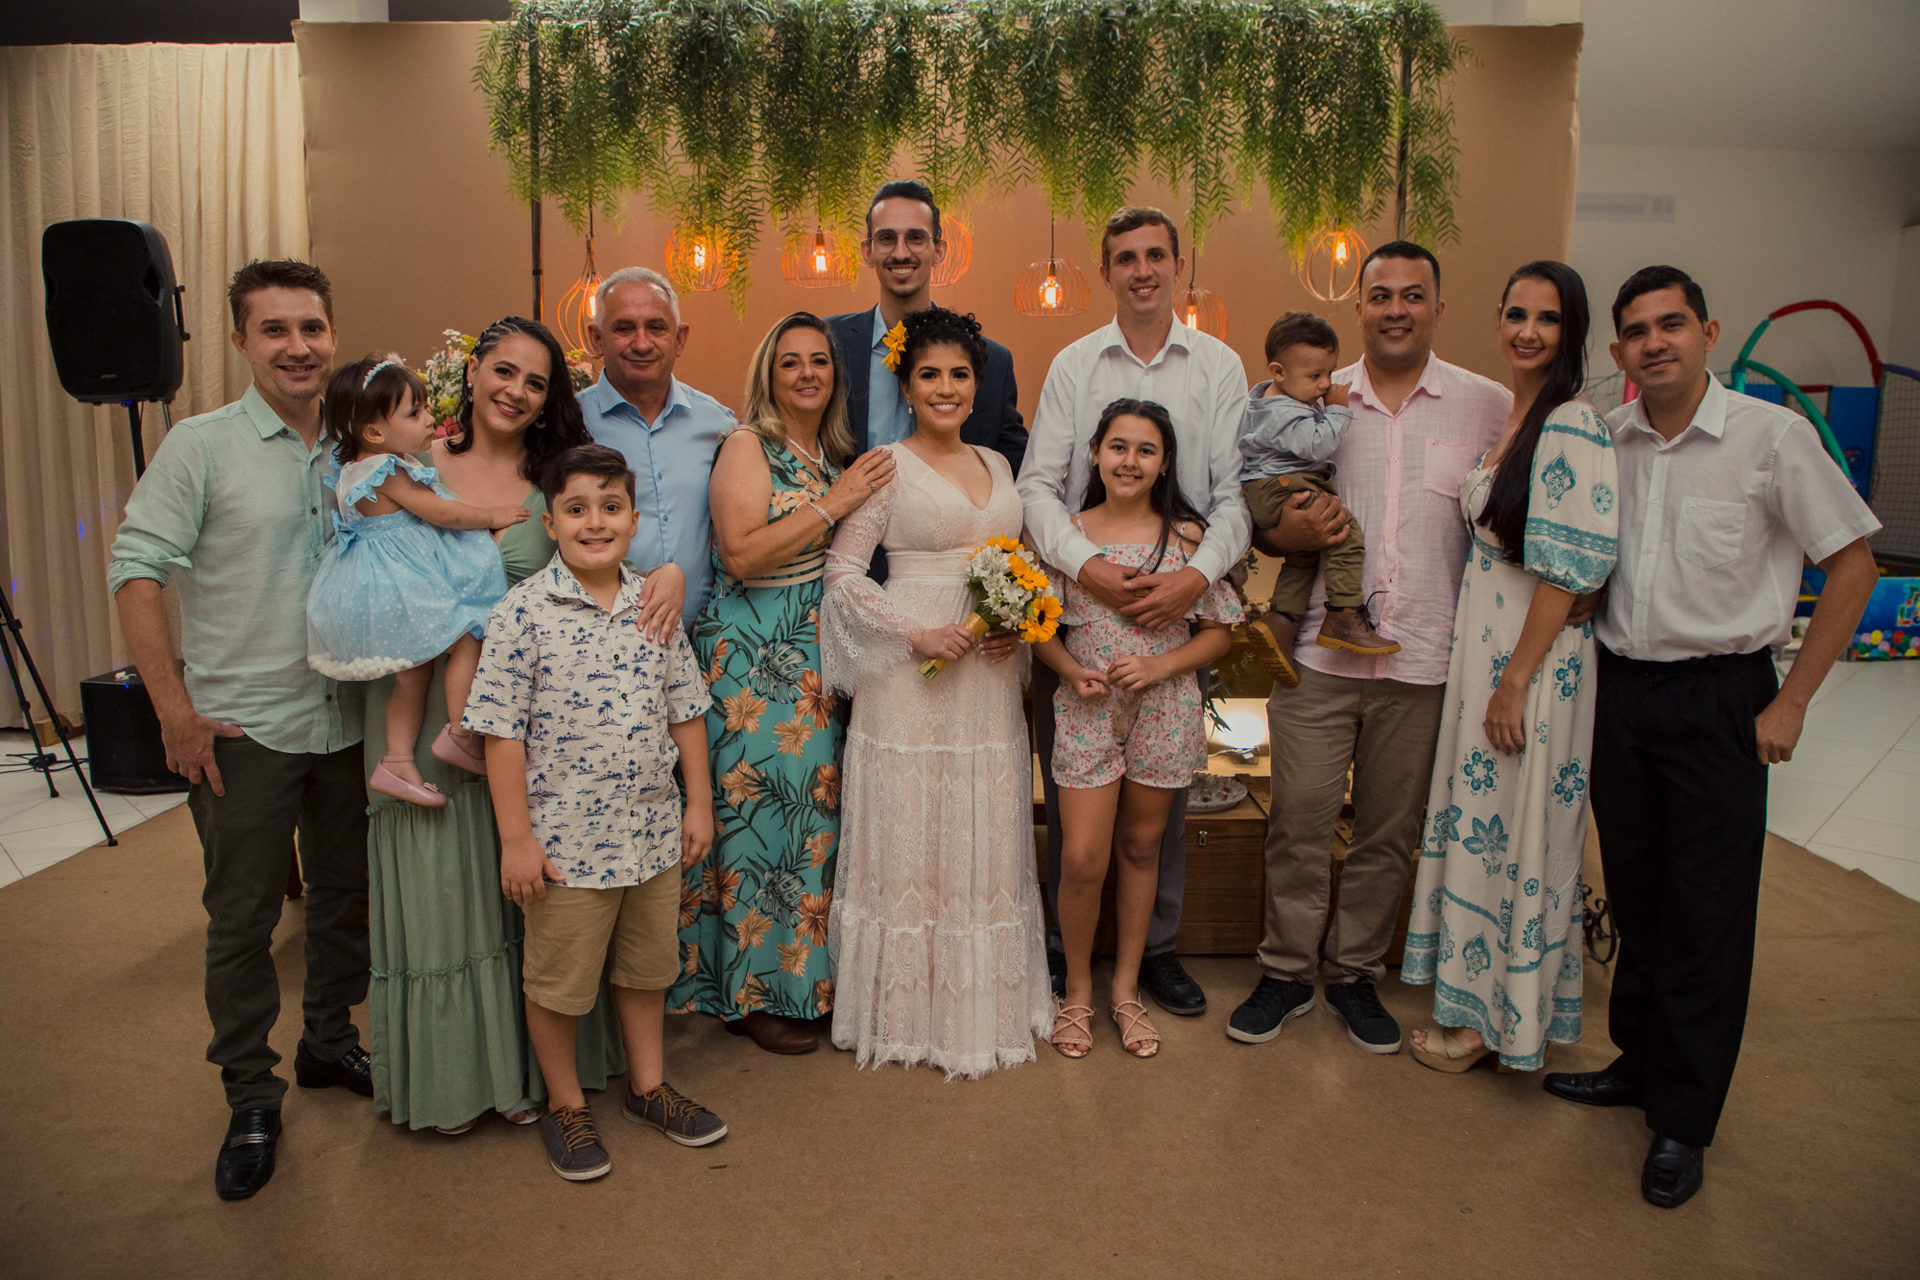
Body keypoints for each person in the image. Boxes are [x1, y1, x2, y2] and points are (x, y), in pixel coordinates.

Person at [1544, 266, 1879, 1209]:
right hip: (1624, 693)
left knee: (1708, 913)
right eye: (1638, 331)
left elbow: (1853, 566)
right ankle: (1639, 1065)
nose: (1655, 343)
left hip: (1722, 698)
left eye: (1673, 325)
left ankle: (1684, 1120)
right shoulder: (1608, 440)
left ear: (1709, 333)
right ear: (1619, 351)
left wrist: (1793, 702)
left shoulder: (1773, 440)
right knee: (1640, 896)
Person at [108, 259, 371, 1201]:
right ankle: (251, 1095)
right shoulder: (200, 447)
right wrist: (172, 711)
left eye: (311, 327)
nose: (298, 347)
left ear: (332, 333)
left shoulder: (360, 443)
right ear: (240, 341)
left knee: (346, 899)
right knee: (243, 919)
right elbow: (137, 573)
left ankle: (330, 1041)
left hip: (348, 720)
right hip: (242, 729)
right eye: (275, 330)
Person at [1228, 241, 1512, 1053]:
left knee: (1389, 831)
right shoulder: (1318, 396)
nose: (1395, 309)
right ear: (1358, 307)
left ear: (1438, 308)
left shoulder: (1487, 406)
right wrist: (1283, 531)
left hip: (1423, 660)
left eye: (1412, 295)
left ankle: (1354, 973)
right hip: (1320, 658)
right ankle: (1287, 971)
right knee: (1298, 823)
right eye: (1380, 295)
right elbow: (1263, 510)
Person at [363, 316, 631, 1137]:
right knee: (450, 893)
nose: (516, 391)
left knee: (535, 892)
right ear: (472, 372)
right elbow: (362, 554)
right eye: (504, 371)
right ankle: (461, 1079)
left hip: (536, 723)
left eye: (536, 382)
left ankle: (545, 1075)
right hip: (428, 709)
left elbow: (607, 562)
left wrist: (672, 578)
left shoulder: (554, 481)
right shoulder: (416, 464)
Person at [465, 443, 728, 1182]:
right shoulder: (523, 614)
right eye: (576, 509)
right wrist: (516, 840)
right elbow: (501, 735)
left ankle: (648, 1088)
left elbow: (685, 712)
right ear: (550, 523)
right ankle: (565, 1103)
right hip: (566, 849)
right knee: (560, 979)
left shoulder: (655, 606)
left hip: (652, 835)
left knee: (647, 968)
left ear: (634, 520)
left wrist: (699, 803)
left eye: (611, 508)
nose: (595, 522)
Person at [1017, 205, 1251, 1016]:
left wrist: (1197, 578)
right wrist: (1083, 564)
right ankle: (1068, 957)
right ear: (1107, 270)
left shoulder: (1218, 365)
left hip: (1178, 600)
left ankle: (1153, 954)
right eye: (1126, 257)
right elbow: (1037, 486)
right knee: (1077, 820)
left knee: (1157, 815)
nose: (1143, 270)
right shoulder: (1074, 364)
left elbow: (1233, 496)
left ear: (1177, 265)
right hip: (1082, 604)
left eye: (1156, 255)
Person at [820, 305, 1052, 1077]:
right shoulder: (885, 466)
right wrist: (914, 632)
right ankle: (904, 1012)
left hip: (987, 674)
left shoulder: (999, 465)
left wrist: (1015, 621)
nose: (945, 388)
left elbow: (1017, 559)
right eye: (929, 375)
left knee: (980, 817)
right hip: (909, 674)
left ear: (976, 384)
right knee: (913, 822)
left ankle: (978, 1008)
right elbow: (842, 573)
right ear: (907, 386)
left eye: (958, 374)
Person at [1401, 261, 1617, 1075]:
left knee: (1518, 839)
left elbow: (1570, 569)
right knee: (1483, 833)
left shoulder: (1572, 423)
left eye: (1548, 318)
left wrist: (1515, 681)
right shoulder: (1511, 414)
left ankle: (1495, 1028)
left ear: (1573, 330)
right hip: (1489, 652)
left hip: (1531, 666)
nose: (1528, 331)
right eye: (1517, 314)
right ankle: (1478, 1006)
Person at [669, 312, 896, 1055]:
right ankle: (750, 994)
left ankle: (799, 983)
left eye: (819, 361)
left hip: (811, 652)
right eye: (790, 360)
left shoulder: (830, 454)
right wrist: (836, 502)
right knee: (759, 819)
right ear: (768, 372)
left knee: (809, 822)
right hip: (753, 655)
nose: (806, 373)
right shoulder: (748, 445)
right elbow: (740, 554)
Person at [1035, 399, 1241, 1059]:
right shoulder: (1067, 536)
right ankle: (1077, 990)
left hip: (1165, 707)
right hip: (1088, 710)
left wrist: (1160, 666)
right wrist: (1071, 669)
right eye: (1118, 447)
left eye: (1146, 450)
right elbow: (1038, 626)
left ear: (1165, 463)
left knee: (1143, 846)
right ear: (1096, 454)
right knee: (1080, 855)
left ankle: (1125, 988)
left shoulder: (1187, 541)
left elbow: (1219, 633)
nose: (1130, 461)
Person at [306, 353, 531, 806]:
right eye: (416, 412)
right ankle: (461, 734)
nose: (430, 418)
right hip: (402, 583)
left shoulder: (356, 466)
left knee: (412, 677)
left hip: (381, 583)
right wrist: (491, 515)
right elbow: (440, 512)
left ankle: (397, 761)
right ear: (374, 433)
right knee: (467, 636)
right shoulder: (384, 469)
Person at [1239, 311, 1398, 685]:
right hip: (1282, 486)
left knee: (1304, 555)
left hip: (1267, 489)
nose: (1326, 384)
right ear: (1278, 372)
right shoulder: (1282, 411)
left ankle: (1281, 622)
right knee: (1343, 532)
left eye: (1330, 372)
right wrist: (1339, 409)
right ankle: (1344, 612)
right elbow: (1317, 445)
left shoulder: (1267, 400)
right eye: (1315, 376)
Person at [580, 266, 735, 630]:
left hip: (706, 638)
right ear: (596, 339)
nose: (642, 343)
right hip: (602, 638)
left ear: (679, 339)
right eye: (623, 328)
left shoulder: (720, 425)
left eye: (656, 327)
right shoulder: (568, 425)